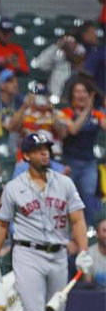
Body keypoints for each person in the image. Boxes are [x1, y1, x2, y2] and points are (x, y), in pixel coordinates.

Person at [0, 133, 91, 311]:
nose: (45, 153)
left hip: (58, 254)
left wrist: (83, 251)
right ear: (26, 155)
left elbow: (77, 219)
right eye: (38, 149)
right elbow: (1, 225)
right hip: (27, 252)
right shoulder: (14, 187)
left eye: (47, 148)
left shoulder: (65, 183)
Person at [59, 80, 105, 226]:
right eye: (77, 91)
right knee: (68, 199)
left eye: (84, 91)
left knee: (88, 198)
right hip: (69, 162)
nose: (81, 95)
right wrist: (86, 111)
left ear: (89, 94)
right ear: (72, 94)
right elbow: (73, 130)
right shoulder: (66, 112)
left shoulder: (97, 113)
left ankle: (90, 232)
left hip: (89, 162)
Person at [36, 35, 86, 99]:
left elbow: (80, 59)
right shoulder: (57, 59)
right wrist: (56, 46)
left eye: (71, 40)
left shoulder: (80, 50)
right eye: (67, 40)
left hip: (76, 97)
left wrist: (73, 51)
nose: (69, 43)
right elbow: (40, 64)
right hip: (57, 97)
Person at [0, 69, 25, 136]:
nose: (15, 85)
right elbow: (9, 126)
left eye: (16, 81)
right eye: (11, 82)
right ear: (2, 85)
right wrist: (24, 107)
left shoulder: (19, 98)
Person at [86, 217, 106, 288]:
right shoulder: (88, 254)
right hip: (96, 295)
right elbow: (87, 283)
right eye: (104, 231)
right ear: (97, 234)